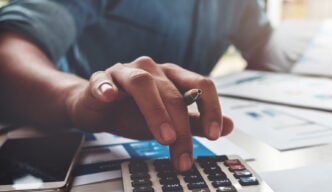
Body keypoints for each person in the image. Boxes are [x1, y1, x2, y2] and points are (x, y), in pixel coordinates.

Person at [0, 0, 286, 171]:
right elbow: (9, 44)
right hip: (55, 141)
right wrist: (73, 97)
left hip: (165, 145)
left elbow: (264, 48)